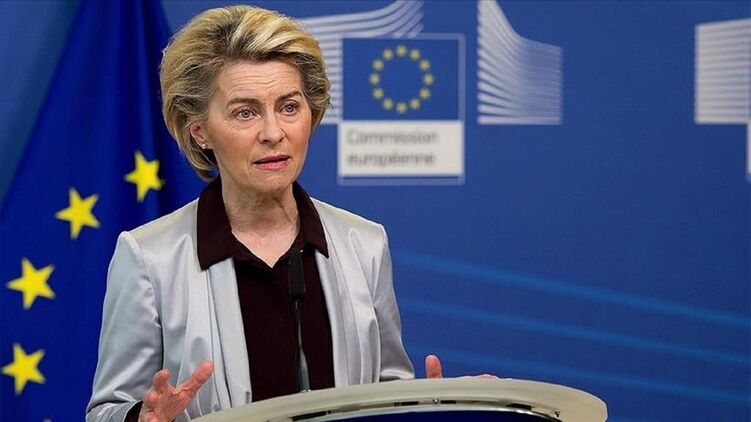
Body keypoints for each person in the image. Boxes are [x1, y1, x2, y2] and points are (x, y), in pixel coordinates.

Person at [86, 5, 446, 422]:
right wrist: (140, 419)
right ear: (199, 131)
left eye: (289, 107)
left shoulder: (363, 244)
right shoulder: (150, 258)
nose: (273, 133)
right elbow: (106, 410)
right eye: (246, 112)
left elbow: (388, 397)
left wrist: (438, 405)